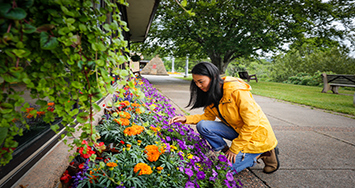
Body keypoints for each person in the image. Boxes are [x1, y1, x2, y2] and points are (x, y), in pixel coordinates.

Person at [168, 62, 279, 174]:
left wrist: (234, 149)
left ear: (214, 77)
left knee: (223, 171)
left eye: (201, 82)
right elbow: (207, 117)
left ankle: (263, 153)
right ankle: (227, 152)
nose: (198, 86)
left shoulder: (237, 91)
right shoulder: (212, 92)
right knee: (203, 125)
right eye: (195, 82)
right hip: (239, 131)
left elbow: (252, 124)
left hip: (257, 137)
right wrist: (186, 119)